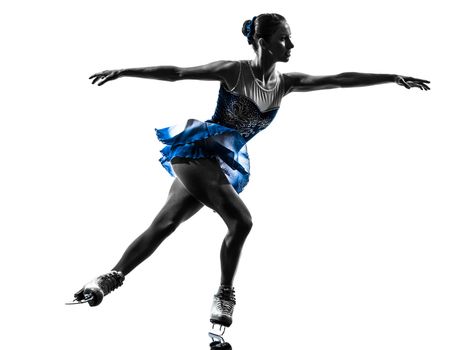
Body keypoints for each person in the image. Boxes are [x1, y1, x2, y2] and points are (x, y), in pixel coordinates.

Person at [71, 13, 430, 331]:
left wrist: (392, 77)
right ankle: (225, 294)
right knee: (241, 221)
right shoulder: (234, 70)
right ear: (262, 41)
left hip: (221, 163)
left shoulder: (286, 83)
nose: (291, 44)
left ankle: (107, 279)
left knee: (164, 224)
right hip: (198, 152)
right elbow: (178, 74)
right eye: (283, 38)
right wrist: (124, 71)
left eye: (289, 37)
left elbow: (339, 78)